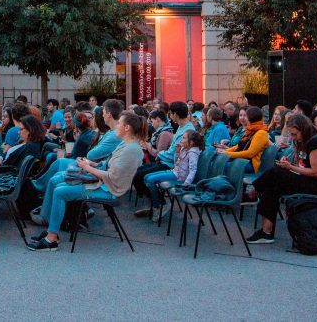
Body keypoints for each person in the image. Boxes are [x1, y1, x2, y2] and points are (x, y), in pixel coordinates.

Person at [28, 112, 146, 251]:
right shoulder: (126, 145)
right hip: (103, 185)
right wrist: (92, 164)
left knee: (60, 191)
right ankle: (51, 231)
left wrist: (87, 168)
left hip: (108, 189)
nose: (117, 126)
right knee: (56, 183)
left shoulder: (131, 149)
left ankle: (52, 238)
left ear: (127, 128)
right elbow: (109, 166)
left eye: (119, 123)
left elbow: (112, 176)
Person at [248, 114, 317, 244]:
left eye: (294, 134)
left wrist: (290, 167)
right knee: (272, 187)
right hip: (306, 179)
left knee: (276, 173)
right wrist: (289, 163)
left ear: (303, 130)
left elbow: (316, 172)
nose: (293, 138)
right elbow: (302, 165)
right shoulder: (304, 141)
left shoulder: (316, 143)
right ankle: (266, 231)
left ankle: (255, 189)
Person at [33, 99, 124, 194]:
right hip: (84, 161)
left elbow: (91, 154)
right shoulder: (99, 132)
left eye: (91, 117)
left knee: (55, 163)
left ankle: (38, 185)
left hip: (88, 167)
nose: (88, 120)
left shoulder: (102, 134)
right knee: (52, 157)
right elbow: (70, 144)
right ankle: (39, 183)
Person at [131, 101, 194, 215]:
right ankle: (154, 203)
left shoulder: (187, 131)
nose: (169, 116)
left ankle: (159, 204)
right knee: (137, 172)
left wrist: (159, 154)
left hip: (172, 165)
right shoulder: (182, 127)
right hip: (168, 161)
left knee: (141, 176)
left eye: (170, 113)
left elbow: (172, 154)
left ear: (175, 114)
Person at [140, 129, 204, 222]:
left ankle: (157, 206)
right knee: (146, 177)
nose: (181, 139)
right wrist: (177, 152)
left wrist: (186, 183)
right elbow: (176, 163)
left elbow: (193, 170)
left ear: (191, 142)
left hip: (179, 177)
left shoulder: (192, 153)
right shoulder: (184, 148)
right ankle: (159, 202)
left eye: (184, 138)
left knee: (150, 180)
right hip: (174, 172)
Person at [220, 106, 271, 173]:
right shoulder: (250, 129)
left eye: (246, 116)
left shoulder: (261, 133)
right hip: (242, 160)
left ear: (250, 118)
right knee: (219, 162)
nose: (243, 118)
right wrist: (224, 151)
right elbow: (238, 146)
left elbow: (250, 153)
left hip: (250, 164)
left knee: (223, 165)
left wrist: (227, 153)